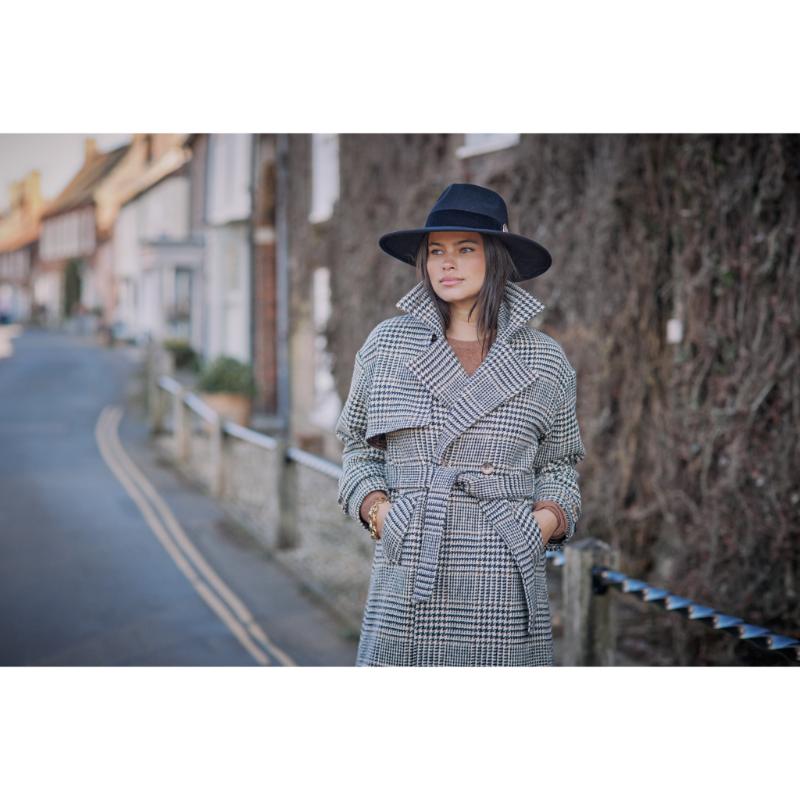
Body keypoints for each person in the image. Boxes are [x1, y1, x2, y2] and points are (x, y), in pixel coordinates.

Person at [336, 183, 586, 666]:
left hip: (503, 571)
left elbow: (559, 465)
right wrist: (380, 514)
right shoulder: (388, 346)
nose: (446, 263)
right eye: (436, 251)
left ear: (497, 258)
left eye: (465, 249)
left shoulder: (544, 359)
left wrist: (543, 524)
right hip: (411, 565)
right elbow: (358, 451)